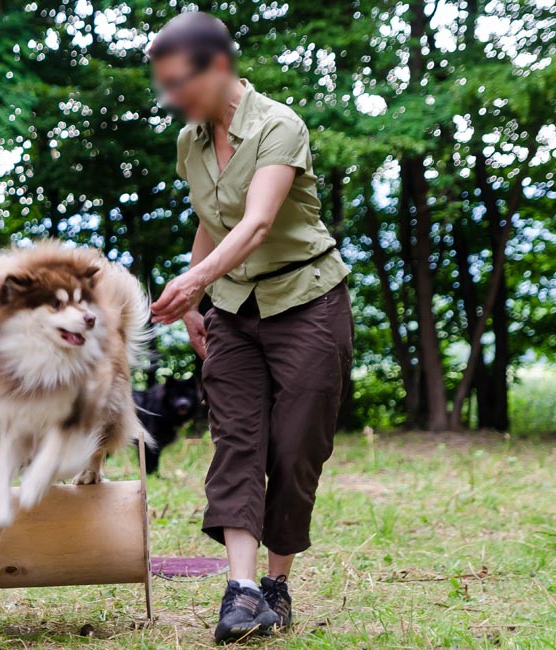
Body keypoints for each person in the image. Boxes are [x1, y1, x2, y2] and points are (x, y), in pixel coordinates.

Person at [147, 13, 353, 644]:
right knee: (236, 439)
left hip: (307, 300)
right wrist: (194, 298)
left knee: (295, 450)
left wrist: (190, 283)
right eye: (164, 86)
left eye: (180, 83)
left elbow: (258, 222)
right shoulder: (192, 141)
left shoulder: (278, 126)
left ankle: (276, 585)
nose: (172, 98)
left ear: (218, 68)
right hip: (233, 312)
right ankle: (239, 593)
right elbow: (213, 220)